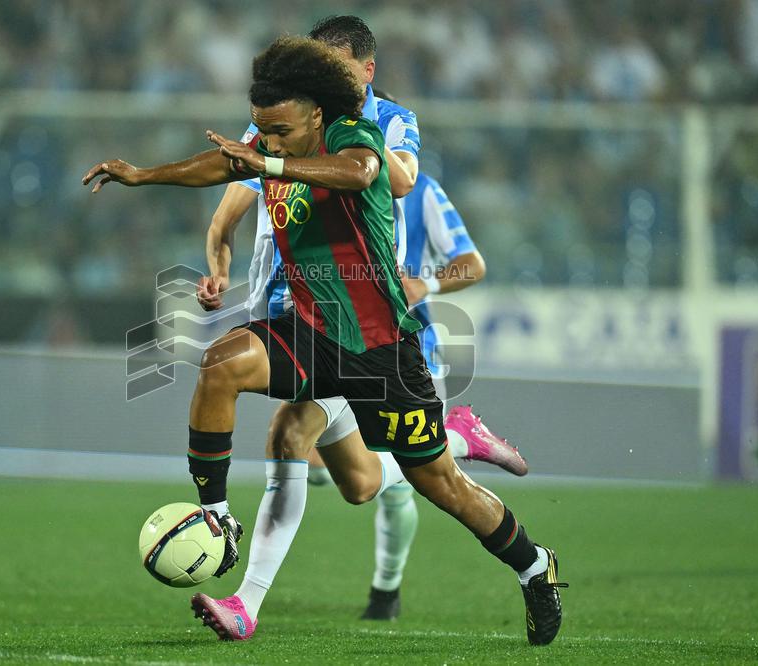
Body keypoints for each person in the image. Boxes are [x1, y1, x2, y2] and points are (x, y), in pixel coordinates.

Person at [82, 35, 566, 646]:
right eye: (263, 132)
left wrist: (271, 164)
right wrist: (142, 175)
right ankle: (218, 515)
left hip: (380, 351)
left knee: (434, 484)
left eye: (280, 131)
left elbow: (362, 174)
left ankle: (534, 566)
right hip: (309, 334)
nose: (269, 142)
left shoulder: (351, 134)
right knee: (221, 363)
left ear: (316, 112)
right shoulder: (274, 145)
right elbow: (230, 164)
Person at [193, 18, 528, 630]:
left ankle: (248, 604)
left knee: (292, 437)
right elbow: (223, 220)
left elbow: (396, 180)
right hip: (287, 316)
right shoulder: (276, 128)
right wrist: (217, 264)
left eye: (335, 71)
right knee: (363, 482)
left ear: (365, 73)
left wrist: (327, 153)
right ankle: (456, 436)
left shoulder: (388, 127)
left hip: (360, 327)